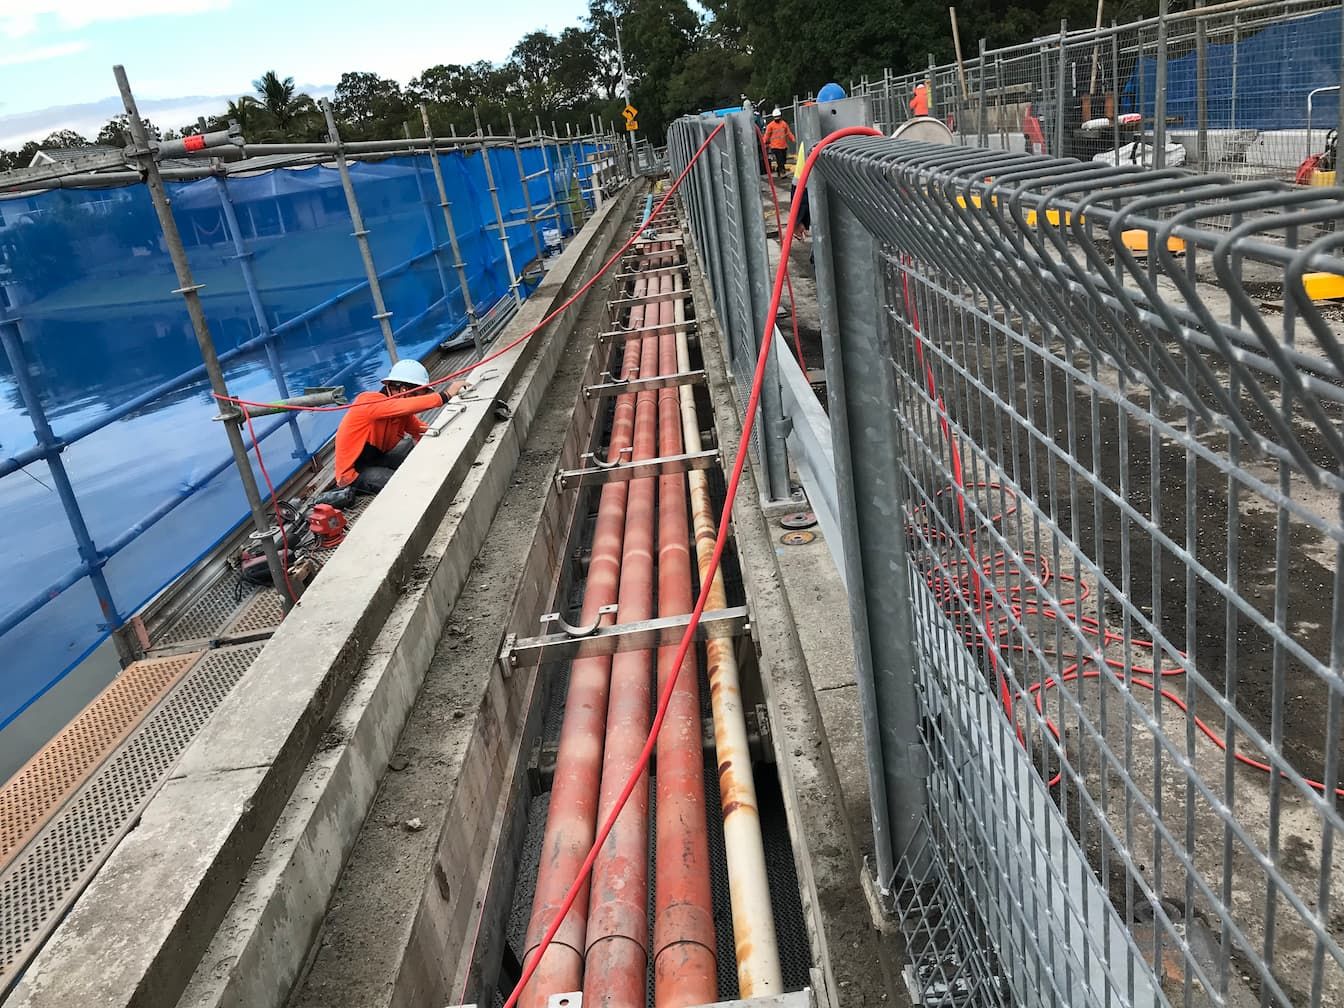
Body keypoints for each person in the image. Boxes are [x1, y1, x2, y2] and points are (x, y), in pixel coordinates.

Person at [334, 358, 467, 494]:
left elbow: (421, 431)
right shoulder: (368, 402)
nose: (419, 399)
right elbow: (405, 406)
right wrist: (445, 395)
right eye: (418, 394)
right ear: (404, 390)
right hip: (353, 474)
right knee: (401, 485)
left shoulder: (401, 414)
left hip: (375, 459)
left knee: (414, 464)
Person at [763, 108, 795, 178]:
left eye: (778, 116)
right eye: (775, 117)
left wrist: (792, 138)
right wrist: (764, 142)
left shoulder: (784, 124)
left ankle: (779, 170)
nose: (777, 118)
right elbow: (767, 135)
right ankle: (782, 172)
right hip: (775, 146)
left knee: (783, 160)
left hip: (783, 146)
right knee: (780, 160)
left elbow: (788, 132)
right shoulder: (770, 126)